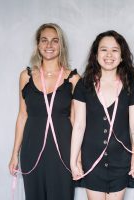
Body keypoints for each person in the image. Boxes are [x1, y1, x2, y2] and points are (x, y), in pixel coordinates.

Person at [8, 23, 79, 200]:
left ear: (61, 45)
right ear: (38, 45)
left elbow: (77, 122)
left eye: (55, 41)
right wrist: (14, 154)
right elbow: (22, 115)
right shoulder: (26, 76)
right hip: (32, 148)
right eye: (44, 40)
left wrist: (78, 157)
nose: (49, 45)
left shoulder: (73, 78)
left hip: (63, 149)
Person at [70, 30, 134, 200]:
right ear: (96, 54)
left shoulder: (132, 85)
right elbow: (79, 125)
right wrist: (73, 160)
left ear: (122, 55)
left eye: (115, 50)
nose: (109, 55)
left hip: (120, 160)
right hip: (92, 159)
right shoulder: (84, 84)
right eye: (104, 49)